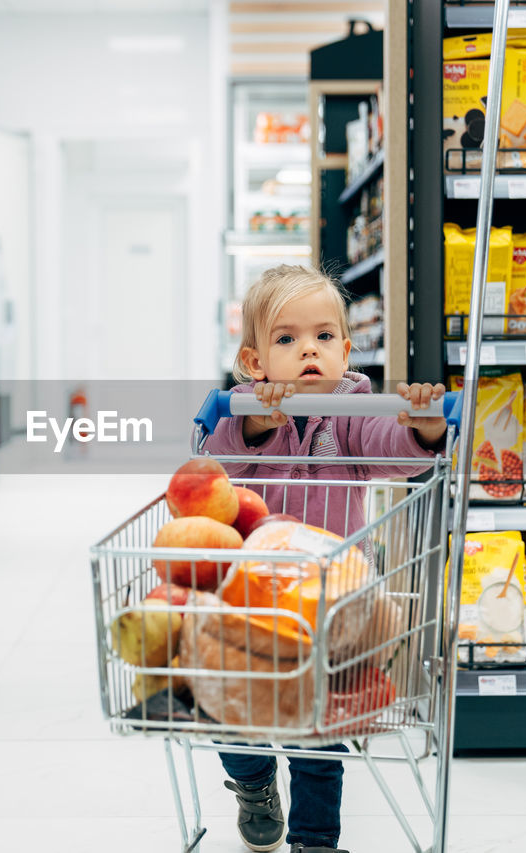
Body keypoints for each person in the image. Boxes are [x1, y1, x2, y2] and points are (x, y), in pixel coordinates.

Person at [201, 264, 447, 853]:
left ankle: (315, 839)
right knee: (230, 706)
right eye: (286, 339)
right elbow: (217, 470)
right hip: (253, 595)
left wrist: (424, 429)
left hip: (334, 601)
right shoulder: (243, 413)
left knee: (321, 730)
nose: (308, 349)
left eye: (324, 336)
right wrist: (255, 425)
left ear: (345, 348)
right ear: (256, 362)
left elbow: (395, 456)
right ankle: (255, 781)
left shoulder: (357, 408)